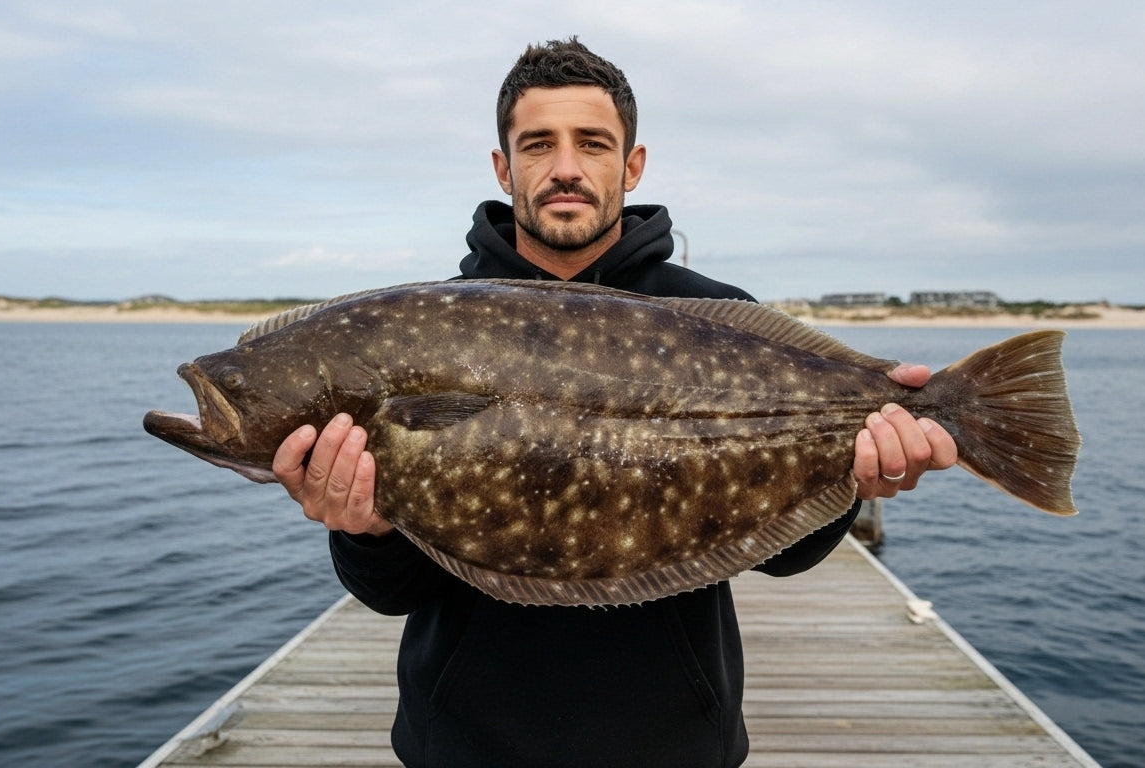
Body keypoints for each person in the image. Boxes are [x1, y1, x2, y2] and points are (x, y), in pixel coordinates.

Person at [272, 38, 957, 768]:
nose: (565, 167)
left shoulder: (713, 315)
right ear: (504, 168)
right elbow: (393, 592)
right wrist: (365, 531)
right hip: (465, 746)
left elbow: (783, 560)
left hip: (676, 745)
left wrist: (853, 481)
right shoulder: (425, 327)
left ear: (631, 164)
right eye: (538, 144)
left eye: (592, 143)